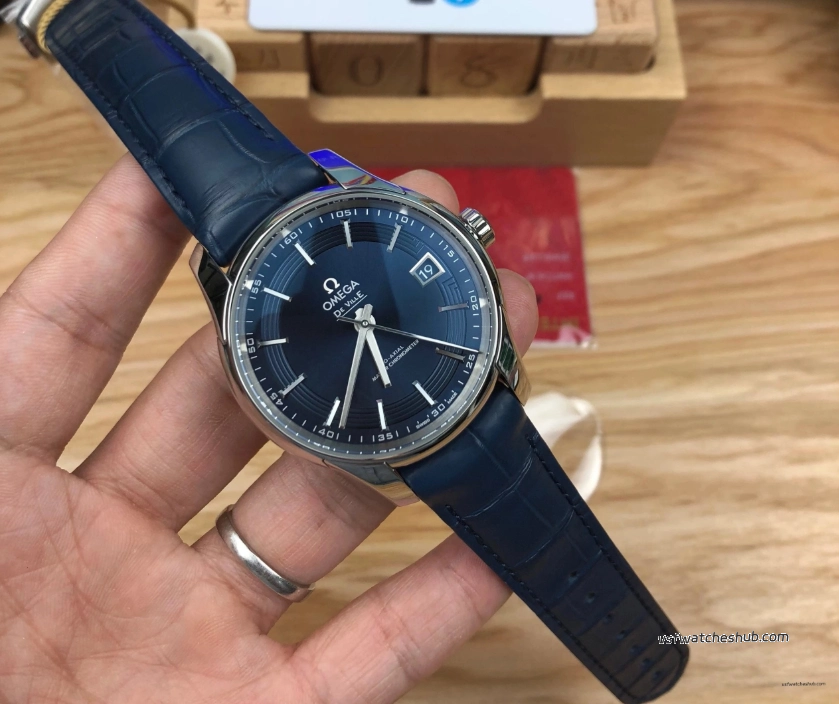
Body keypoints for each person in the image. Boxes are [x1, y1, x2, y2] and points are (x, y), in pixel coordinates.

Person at [0, 156, 538, 703]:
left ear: (469, 237)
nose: (363, 319)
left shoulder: (346, 195)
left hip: (471, 383)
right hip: (396, 428)